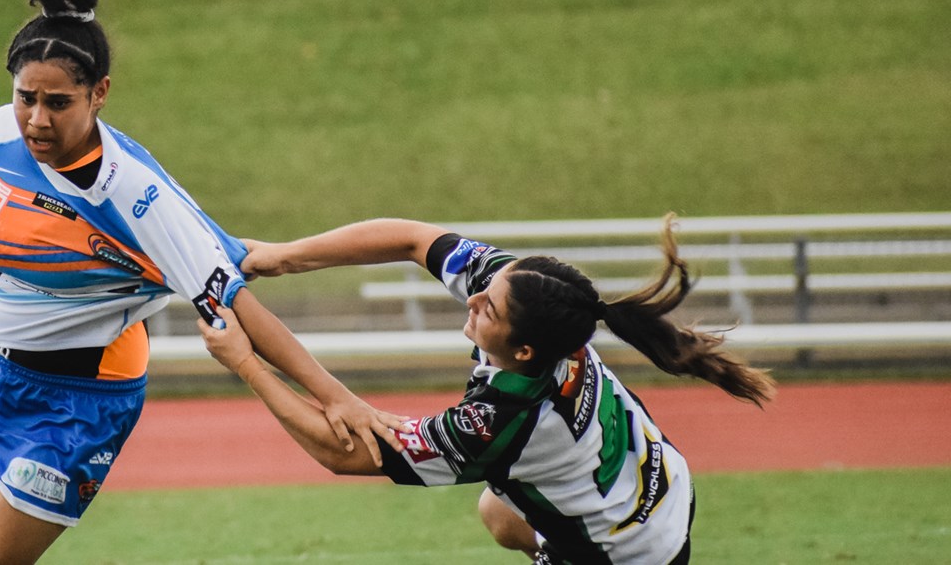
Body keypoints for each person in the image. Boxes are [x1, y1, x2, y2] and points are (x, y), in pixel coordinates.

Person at [0, 0, 404, 563]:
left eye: (59, 102)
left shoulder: (136, 196)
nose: (37, 119)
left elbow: (238, 307)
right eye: (26, 98)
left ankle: (2, 532)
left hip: (75, 406)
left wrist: (337, 396)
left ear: (100, 93)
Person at [200, 214, 776, 564]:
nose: (474, 299)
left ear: (523, 352)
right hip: (658, 484)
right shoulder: (529, 294)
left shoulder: (504, 422)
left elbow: (344, 452)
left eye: (489, 308)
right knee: (499, 514)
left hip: (628, 554)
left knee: (502, 511)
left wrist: (246, 364)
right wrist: (279, 259)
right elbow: (412, 239)